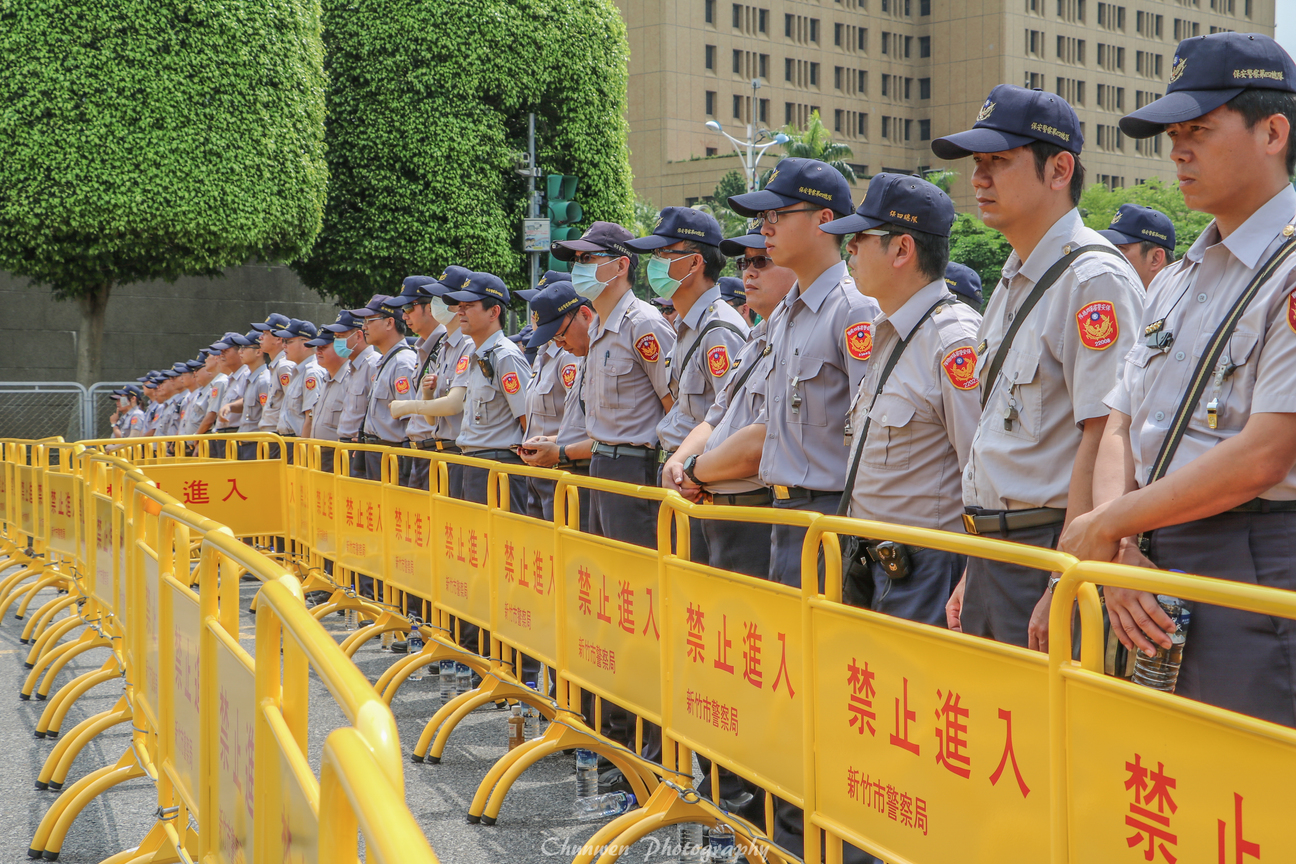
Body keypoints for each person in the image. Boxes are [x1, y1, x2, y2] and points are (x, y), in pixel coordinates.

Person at [1059, 33, 1296, 726]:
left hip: (1252, 559)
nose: (1178, 150)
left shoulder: (1287, 269)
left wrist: (1111, 525)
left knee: (1249, 801)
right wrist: (1124, 547)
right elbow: (1122, 424)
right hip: (1148, 561)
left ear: (1273, 131)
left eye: (1199, 129)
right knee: (1156, 788)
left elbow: (1266, 453)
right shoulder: (1175, 280)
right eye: (1173, 134)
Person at [929, 84, 1144, 648]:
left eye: (998, 161)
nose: (979, 178)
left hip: (1048, 552)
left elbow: (1101, 435)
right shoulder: (1014, 276)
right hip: (996, 553)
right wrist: (977, 564)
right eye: (977, 164)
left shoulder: (1092, 279)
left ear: (1059, 169)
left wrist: (1063, 575)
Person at [822, 173, 984, 625]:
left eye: (860, 238)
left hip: (927, 569)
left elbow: (981, 468)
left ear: (902, 249)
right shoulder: (891, 332)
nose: (849, 250)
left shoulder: (953, 341)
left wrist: (977, 568)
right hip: (874, 561)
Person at [726, 157, 880, 588]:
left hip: (829, 517)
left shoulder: (854, 310)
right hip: (784, 513)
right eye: (762, 217)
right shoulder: (784, 314)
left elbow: (868, 435)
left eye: (776, 215)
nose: (765, 228)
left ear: (825, 220)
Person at [664, 227, 796, 577]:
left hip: (752, 510)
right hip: (713, 504)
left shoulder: (732, 330)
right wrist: (677, 463)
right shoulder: (756, 339)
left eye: (761, 261)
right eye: (744, 262)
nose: (748, 272)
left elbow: (763, 438)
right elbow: (714, 418)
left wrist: (691, 471)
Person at [550, 221, 676, 549]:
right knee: (607, 572)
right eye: (576, 260)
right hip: (600, 461)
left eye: (588, 260)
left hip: (635, 468)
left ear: (620, 265)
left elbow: (674, 405)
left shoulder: (643, 323)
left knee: (636, 573)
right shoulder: (597, 328)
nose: (578, 268)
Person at [442, 271, 532, 511]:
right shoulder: (479, 355)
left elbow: (528, 421)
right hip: (475, 465)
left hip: (499, 468)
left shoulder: (506, 356)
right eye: (459, 306)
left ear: (494, 312)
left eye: (469, 306)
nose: (460, 312)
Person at [517, 280, 593, 526]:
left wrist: (558, 449)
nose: (535, 316)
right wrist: (547, 441)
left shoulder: (571, 354)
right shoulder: (546, 355)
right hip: (547, 465)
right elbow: (574, 425)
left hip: (571, 469)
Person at [353, 296, 417, 482]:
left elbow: (410, 419)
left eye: (369, 321)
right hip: (377, 454)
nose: (364, 327)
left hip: (393, 457)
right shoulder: (385, 361)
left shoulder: (402, 363)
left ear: (389, 323)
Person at [396, 276, 448, 490]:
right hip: (419, 451)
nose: (404, 315)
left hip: (437, 452)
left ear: (432, 307)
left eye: (409, 307)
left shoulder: (449, 345)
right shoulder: (423, 348)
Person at [324, 308, 378, 478]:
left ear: (359, 336)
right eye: (336, 337)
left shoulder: (373, 364)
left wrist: (365, 439)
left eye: (341, 336)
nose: (337, 341)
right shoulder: (351, 367)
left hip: (360, 450)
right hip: (345, 448)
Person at [275, 320, 325, 461]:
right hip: (288, 442)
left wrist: (303, 454)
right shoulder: (298, 371)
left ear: (306, 343)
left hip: (298, 444)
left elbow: (310, 417)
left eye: (289, 341)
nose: (284, 346)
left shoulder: (311, 372)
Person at [302, 328, 350, 472]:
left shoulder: (349, 378)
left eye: (324, 347)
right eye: (317, 348)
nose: (318, 352)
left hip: (338, 456)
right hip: (319, 455)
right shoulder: (326, 379)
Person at [1097, 203, 1177, 289]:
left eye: (1120, 248)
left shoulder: (1185, 300)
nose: (1108, 254)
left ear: (1155, 258)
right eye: (1110, 246)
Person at [254, 312, 296, 458]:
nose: (260, 337)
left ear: (279, 338)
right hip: (272, 437)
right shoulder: (275, 366)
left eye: (265, 333)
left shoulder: (284, 366)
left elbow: (293, 403)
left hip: (279, 437)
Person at [233, 331, 271, 459]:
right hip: (244, 443)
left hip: (256, 445)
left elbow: (267, 415)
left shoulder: (264, 380)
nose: (240, 352)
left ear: (258, 352)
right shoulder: (250, 378)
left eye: (244, 348)